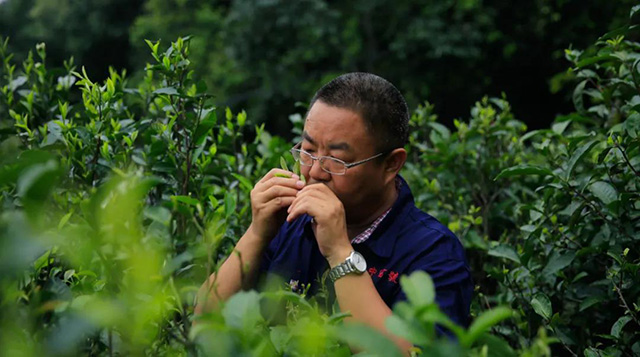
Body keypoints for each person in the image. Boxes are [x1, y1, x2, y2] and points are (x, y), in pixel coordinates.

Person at [195, 72, 472, 352]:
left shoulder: (435, 253)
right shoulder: (291, 223)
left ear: (391, 164)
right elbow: (204, 325)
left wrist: (341, 252)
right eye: (308, 150)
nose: (314, 172)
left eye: (336, 160)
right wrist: (257, 233)